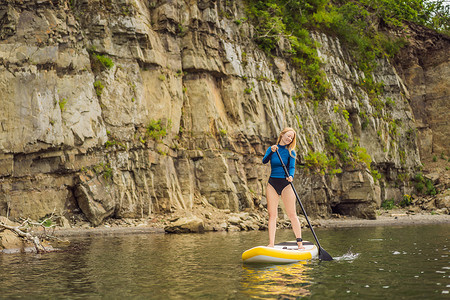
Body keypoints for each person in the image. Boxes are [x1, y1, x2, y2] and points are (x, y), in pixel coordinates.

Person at [262, 127, 304, 249]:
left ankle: (300, 244)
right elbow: (265, 161)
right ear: (282, 134)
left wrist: (291, 176)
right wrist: (271, 151)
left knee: (292, 214)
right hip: (272, 183)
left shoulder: (291, 152)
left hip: (286, 184)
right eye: (288, 136)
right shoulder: (272, 149)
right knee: (272, 215)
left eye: (292, 138)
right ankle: (271, 243)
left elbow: (292, 167)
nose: (289, 139)